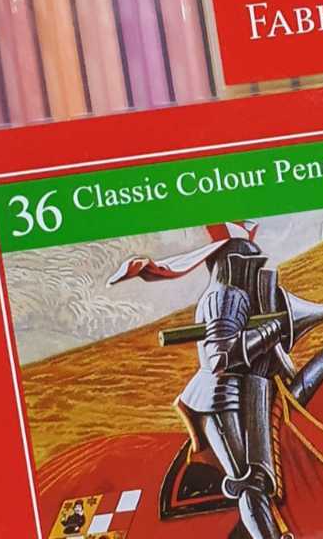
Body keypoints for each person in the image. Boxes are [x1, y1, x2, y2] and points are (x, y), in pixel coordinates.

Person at [109, 220, 293, 539]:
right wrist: (270, 331)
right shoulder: (224, 297)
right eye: (245, 257)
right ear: (230, 261)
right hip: (219, 397)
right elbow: (221, 358)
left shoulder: (238, 294)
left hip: (249, 389)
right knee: (248, 480)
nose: (252, 265)